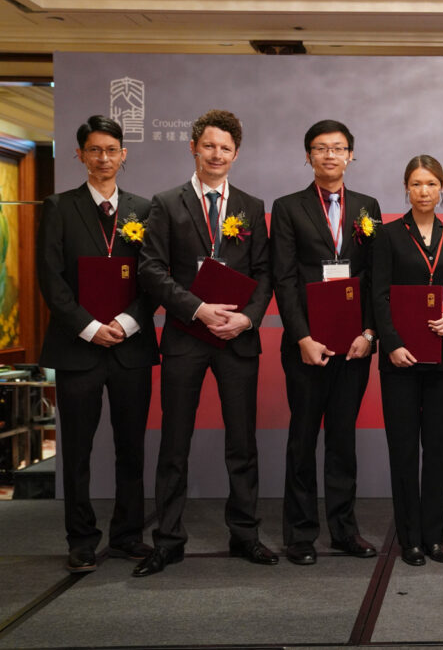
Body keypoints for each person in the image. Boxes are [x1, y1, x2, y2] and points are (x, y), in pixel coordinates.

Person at [134, 109, 275, 576]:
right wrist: (197, 308)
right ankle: (169, 539)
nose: (217, 155)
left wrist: (248, 320)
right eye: (209, 146)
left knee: (242, 444)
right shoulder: (167, 202)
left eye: (226, 148)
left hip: (236, 339)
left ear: (237, 154)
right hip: (186, 337)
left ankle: (245, 535)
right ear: (193, 147)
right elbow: (151, 270)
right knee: (174, 443)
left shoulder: (251, 207)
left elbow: (263, 274)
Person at [36, 115, 159, 572]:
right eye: (94, 150)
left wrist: (126, 323)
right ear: (80, 155)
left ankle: (128, 534)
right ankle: (81, 539)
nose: (103, 158)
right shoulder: (59, 206)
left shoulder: (145, 210)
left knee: (131, 447)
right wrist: (90, 327)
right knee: (78, 450)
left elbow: (155, 280)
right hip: (78, 348)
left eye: (111, 150)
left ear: (123, 155)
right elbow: (51, 279)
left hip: (130, 347)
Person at [270, 120, 382, 566]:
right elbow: (283, 277)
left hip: (353, 344)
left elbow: (375, 279)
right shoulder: (288, 207)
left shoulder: (367, 206)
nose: (330, 156)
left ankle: (343, 531)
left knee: (342, 441)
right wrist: (301, 336)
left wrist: (369, 334)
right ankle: (299, 535)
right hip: (307, 346)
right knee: (301, 440)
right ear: (308, 156)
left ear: (351, 155)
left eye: (338, 148)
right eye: (320, 149)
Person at [371, 155, 443, 566]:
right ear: (406, 189)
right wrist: (391, 344)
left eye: (431, 183)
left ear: (441, 187)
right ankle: (408, 538)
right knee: (405, 449)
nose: (424, 191)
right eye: (416, 184)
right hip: (400, 360)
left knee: (439, 448)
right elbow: (378, 295)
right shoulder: (388, 235)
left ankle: (435, 537)